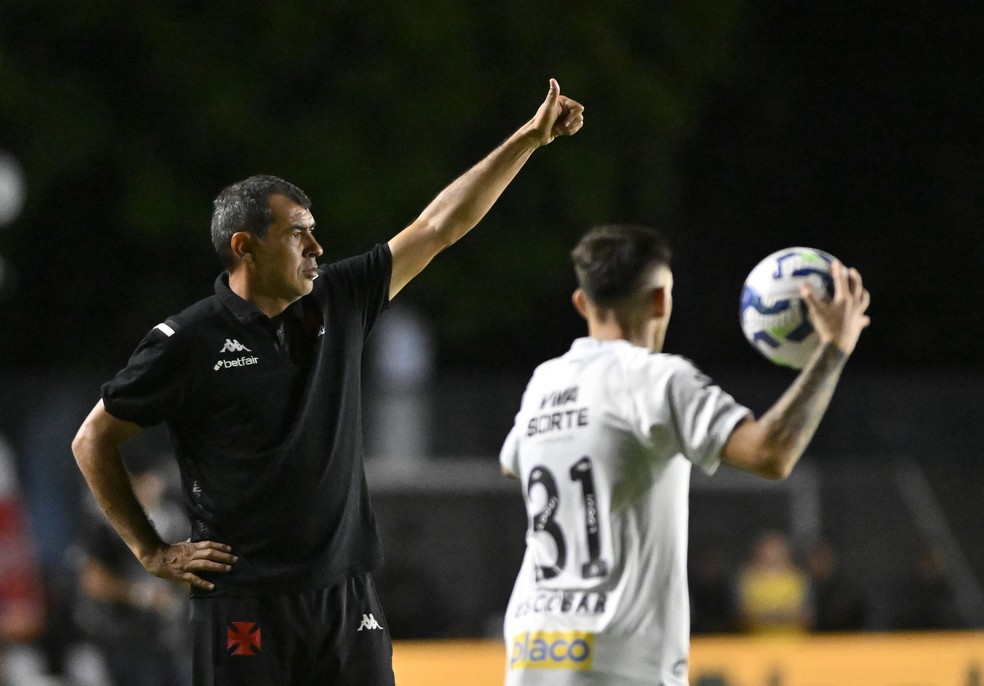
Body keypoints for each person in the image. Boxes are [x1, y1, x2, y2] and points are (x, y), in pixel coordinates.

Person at [71, 79, 584, 686]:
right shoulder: (187, 341)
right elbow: (93, 439)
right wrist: (151, 550)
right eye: (298, 233)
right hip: (245, 603)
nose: (317, 246)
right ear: (245, 247)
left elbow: (437, 227)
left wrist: (526, 140)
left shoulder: (337, 300)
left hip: (346, 596)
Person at [499, 224, 870, 685]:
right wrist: (833, 349)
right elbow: (769, 454)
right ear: (660, 300)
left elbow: (513, 463)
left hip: (533, 650)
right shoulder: (658, 380)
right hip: (619, 659)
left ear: (581, 302)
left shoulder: (545, 383)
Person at [734, 529, 812, 635]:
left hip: (793, 643)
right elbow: (740, 616)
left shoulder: (799, 579)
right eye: (769, 548)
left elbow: (807, 616)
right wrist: (766, 617)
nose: (773, 553)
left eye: (776, 548)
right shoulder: (747, 579)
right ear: (759, 551)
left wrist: (778, 617)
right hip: (755, 643)